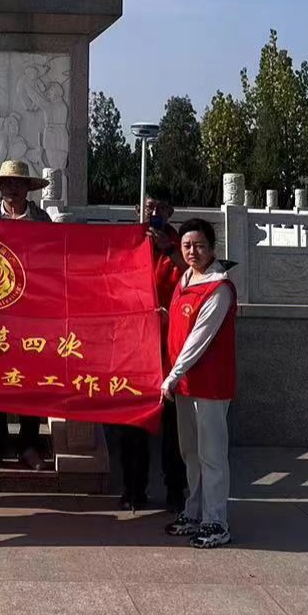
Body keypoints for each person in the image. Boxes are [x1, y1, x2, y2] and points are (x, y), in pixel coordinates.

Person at [105, 188, 189, 511]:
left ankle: (175, 489)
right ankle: (133, 487)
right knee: (132, 421)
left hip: (170, 347)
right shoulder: (127, 242)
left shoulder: (182, 245)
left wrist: (170, 250)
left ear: (169, 212)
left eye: (160, 207)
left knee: (174, 426)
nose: (153, 212)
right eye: (148, 206)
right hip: (132, 345)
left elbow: (193, 278)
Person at [161, 218, 237, 549]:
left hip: (209, 384)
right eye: (187, 246)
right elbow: (180, 323)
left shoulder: (218, 287)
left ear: (212, 248)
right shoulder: (185, 279)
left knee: (212, 454)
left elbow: (199, 338)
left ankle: (216, 521)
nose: (193, 252)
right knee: (190, 452)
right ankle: (193, 512)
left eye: (200, 246)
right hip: (185, 384)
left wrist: (173, 374)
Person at [0, 160, 50, 471]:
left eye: (18, 183)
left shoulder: (42, 221)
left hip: (31, 313)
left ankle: (28, 445)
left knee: (30, 380)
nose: (12, 188)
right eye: (7, 183)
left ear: (28, 188)